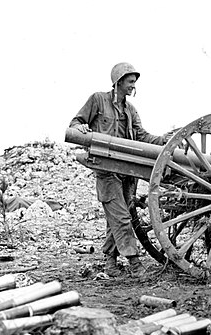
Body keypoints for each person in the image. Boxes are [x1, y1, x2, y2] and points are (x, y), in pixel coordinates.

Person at [69, 62, 172, 277]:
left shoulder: (130, 109)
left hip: (128, 172)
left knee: (114, 218)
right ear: (118, 81)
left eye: (134, 82)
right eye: (130, 82)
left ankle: (110, 263)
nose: (133, 86)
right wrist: (79, 127)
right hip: (107, 170)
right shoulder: (98, 100)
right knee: (122, 217)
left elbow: (142, 136)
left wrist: (163, 140)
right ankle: (135, 264)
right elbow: (76, 122)